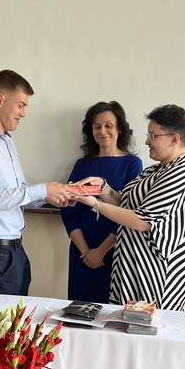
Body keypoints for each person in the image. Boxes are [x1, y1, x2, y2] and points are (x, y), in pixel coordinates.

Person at [73, 104, 185, 311]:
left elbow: (142, 221)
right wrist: (103, 188)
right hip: (133, 274)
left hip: (157, 277)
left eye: (153, 136)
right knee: (125, 326)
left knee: (147, 328)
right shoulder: (155, 170)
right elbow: (126, 204)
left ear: (174, 139)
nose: (147, 141)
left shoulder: (183, 173)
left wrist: (95, 203)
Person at [0, 69, 73, 296]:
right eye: (21, 105)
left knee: (17, 318)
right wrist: (43, 189)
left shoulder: (6, 142)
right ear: (0, 100)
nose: (24, 113)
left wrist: (50, 197)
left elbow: (16, 193)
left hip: (14, 252)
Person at [60, 101, 142, 302]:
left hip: (115, 252)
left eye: (108, 125)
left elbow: (130, 211)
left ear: (120, 128)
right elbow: (69, 213)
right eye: (97, 126)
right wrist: (85, 251)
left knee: (111, 311)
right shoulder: (82, 164)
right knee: (78, 311)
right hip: (81, 252)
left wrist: (101, 252)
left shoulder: (132, 164)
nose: (102, 131)